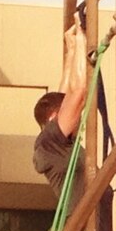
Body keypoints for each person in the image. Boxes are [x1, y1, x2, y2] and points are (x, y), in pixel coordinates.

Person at [30, 16, 90, 195]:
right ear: (53, 117)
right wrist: (81, 38)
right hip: (85, 220)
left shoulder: (52, 142)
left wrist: (72, 50)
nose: (77, 116)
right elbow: (79, 91)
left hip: (89, 218)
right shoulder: (51, 140)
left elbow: (64, 96)